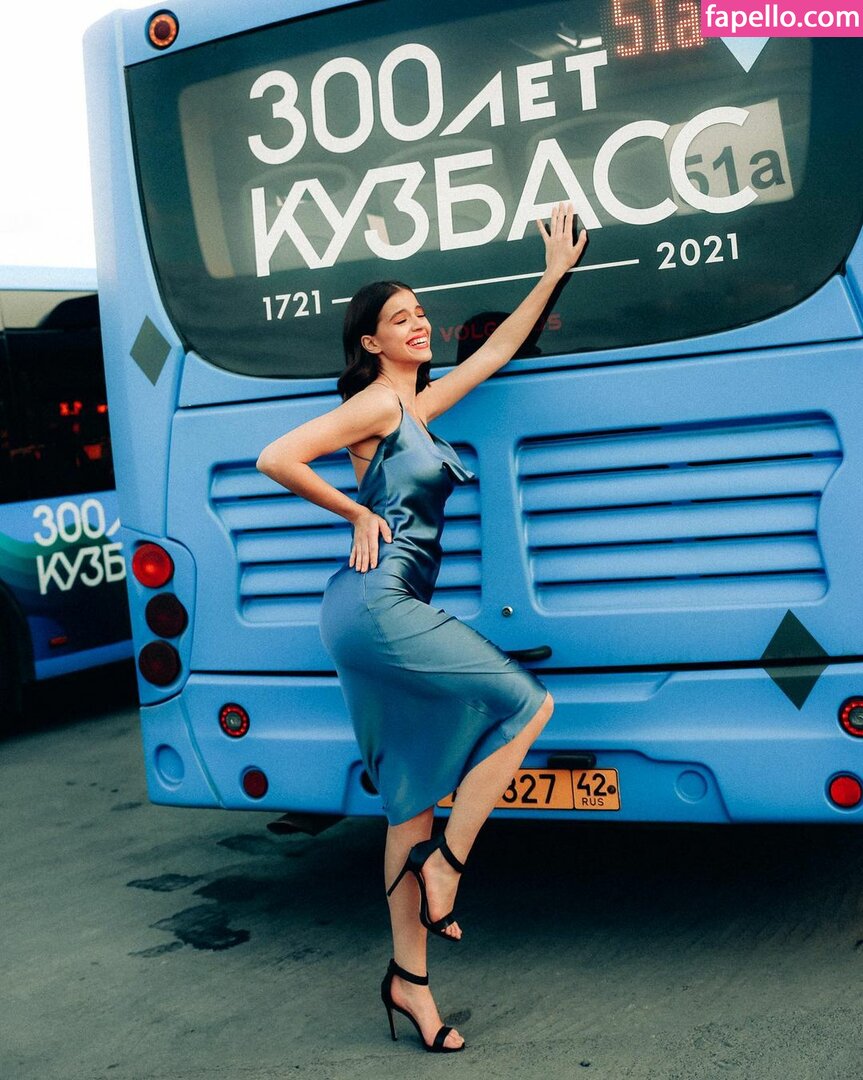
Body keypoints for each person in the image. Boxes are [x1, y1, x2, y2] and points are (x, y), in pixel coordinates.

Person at [256, 202, 587, 1053]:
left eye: (419, 313)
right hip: (378, 605)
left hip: (372, 611)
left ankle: (410, 984)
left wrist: (551, 274)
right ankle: (448, 864)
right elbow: (276, 456)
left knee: (406, 807)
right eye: (399, 318)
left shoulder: (416, 407)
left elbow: (496, 350)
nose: (417, 324)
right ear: (370, 341)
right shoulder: (375, 405)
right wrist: (355, 513)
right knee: (528, 705)